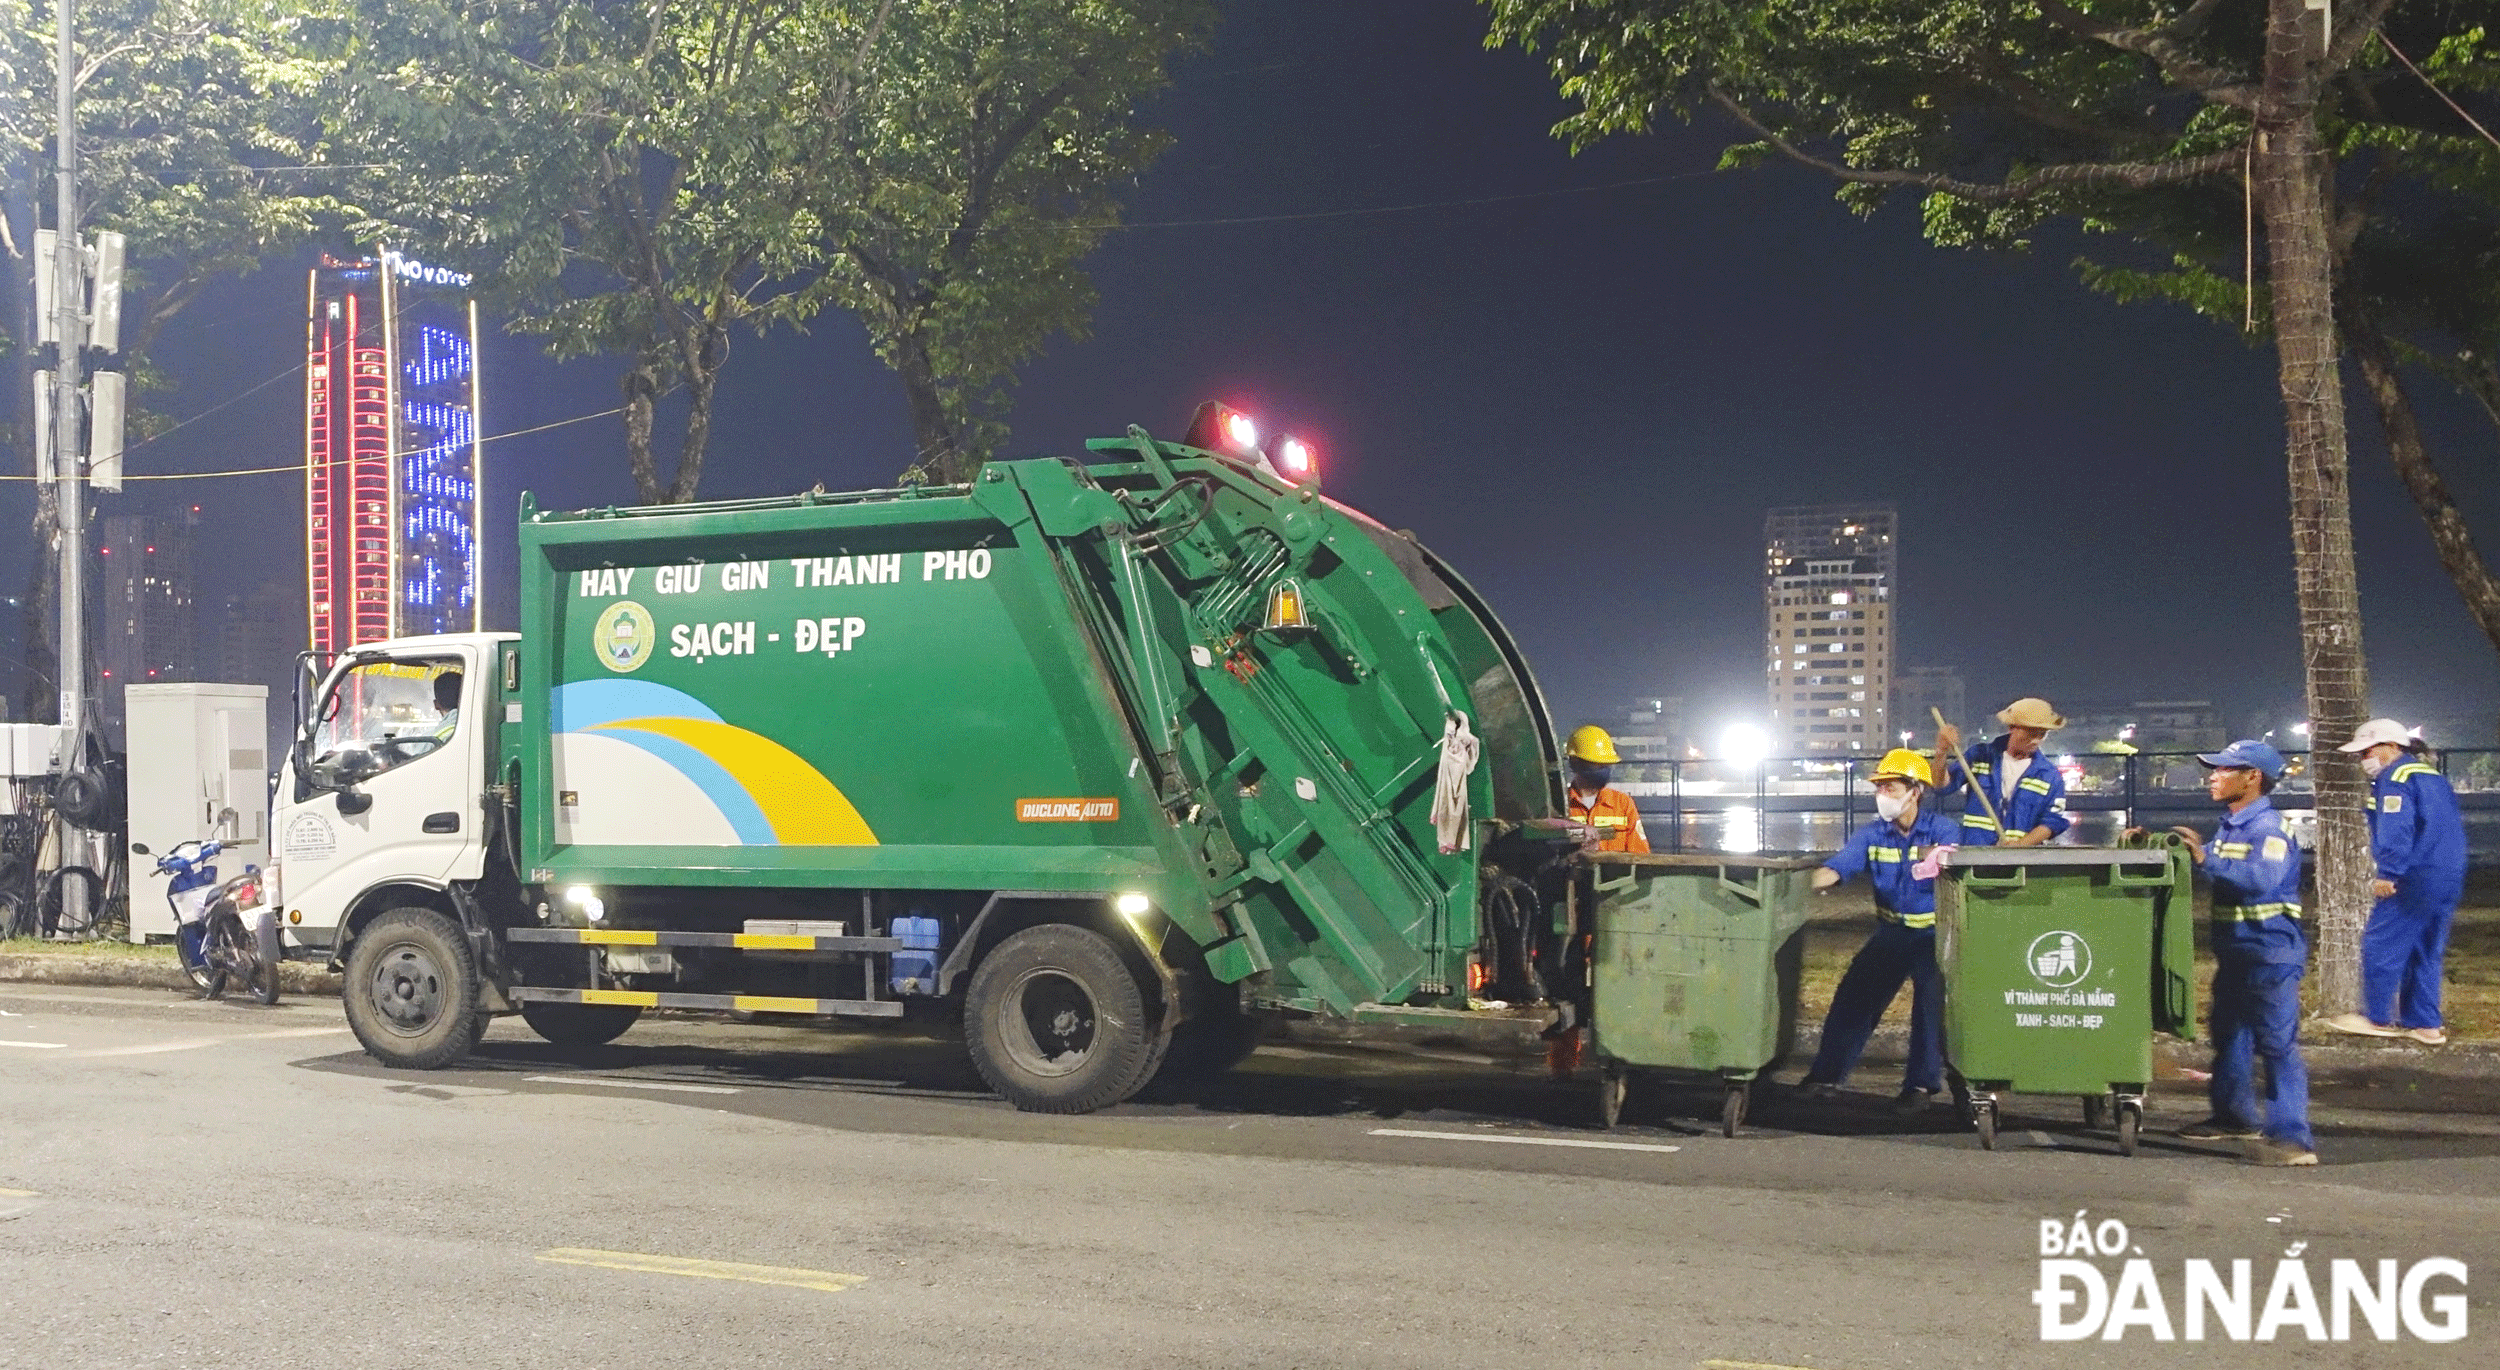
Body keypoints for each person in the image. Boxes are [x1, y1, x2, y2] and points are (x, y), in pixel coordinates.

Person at [2158, 739, 2316, 1166]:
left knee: (2277, 1046)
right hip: (2238, 954)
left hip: (2269, 956)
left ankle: (2293, 1138)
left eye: (2225, 769)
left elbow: (2260, 879)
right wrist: (2196, 851)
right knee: (2230, 1039)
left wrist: (2206, 859)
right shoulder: (2233, 825)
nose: (2214, 775)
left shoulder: (2267, 829)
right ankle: (2233, 1117)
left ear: (2253, 778)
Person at [1797, 748, 1964, 1112]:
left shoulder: (1943, 831)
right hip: (1893, 933)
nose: (1883, 794)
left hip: (1934, 936)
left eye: (1890, 787)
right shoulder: (1872, 833)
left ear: (1915, 791)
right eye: (1880, 787)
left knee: (1929, 1007)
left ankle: (1921, 1086)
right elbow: (1840, 867)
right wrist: (1795, 887)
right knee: (1853, 997)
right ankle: (1826, 1076)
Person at [2324, 719, 2466, 1045]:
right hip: (2449, 874)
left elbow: (2396, 829)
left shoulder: (2395, 777)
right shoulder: (2433, 776)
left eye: (2367, 751)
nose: (2363, 760)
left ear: (2391, 746)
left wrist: (2387, 873)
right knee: (2425, 950)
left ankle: (2376, 1017)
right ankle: (2426, 1025)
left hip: (2415, 874)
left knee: (2380, 943)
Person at [1932, 697, 2070, 847]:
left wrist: (2021, 844)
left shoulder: (2050, 776)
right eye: (2030, 733)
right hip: (1976, 853)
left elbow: (2052, 821)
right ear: (2012, 727)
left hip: (2020, 860)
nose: (2036, 740)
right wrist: (1941, 752)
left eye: (2042, 734)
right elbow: (1940, 786)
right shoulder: (1980, 755)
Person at [1564, 725, 1650, 854]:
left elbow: (1640, 855)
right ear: (1576, 762)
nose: (1604, 768)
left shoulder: (1623, 804)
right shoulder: (1560, 804)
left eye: (1607, 763)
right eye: (1597, 763)